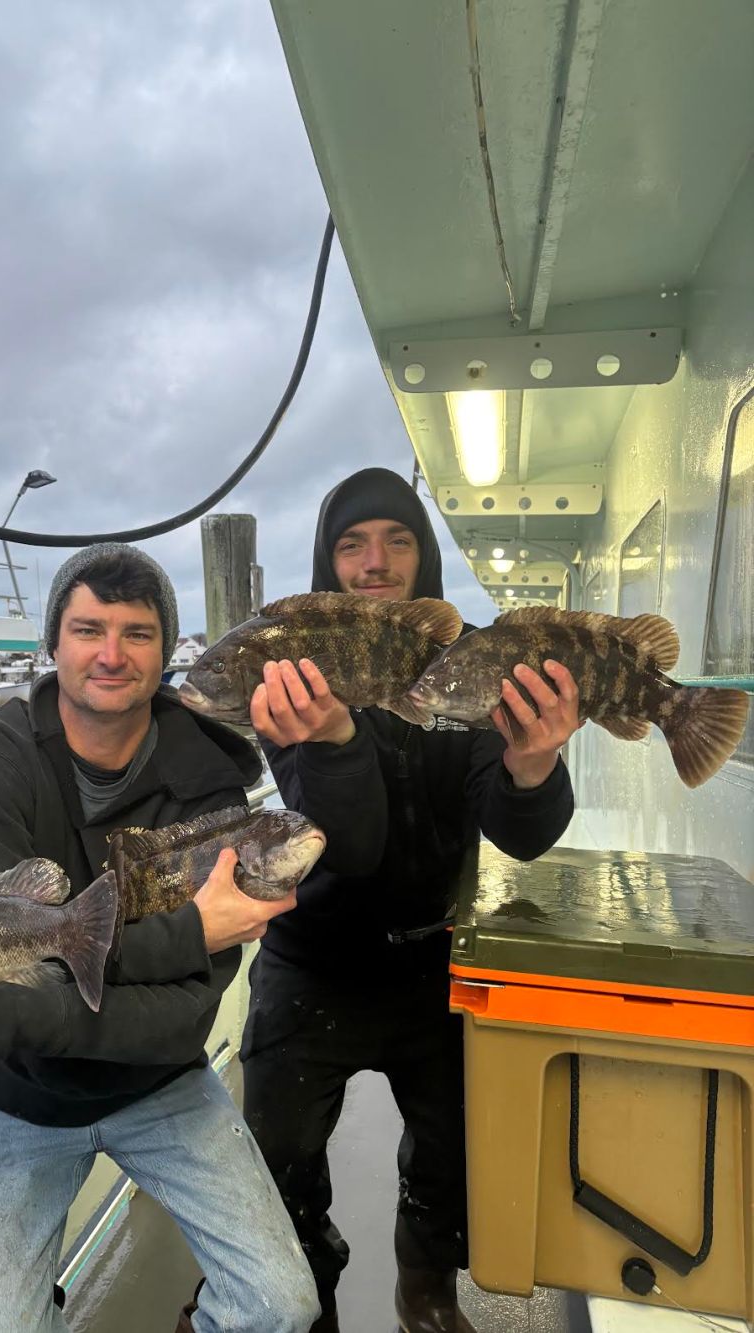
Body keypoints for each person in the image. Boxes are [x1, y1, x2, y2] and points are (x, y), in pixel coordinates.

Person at [0, 543, 321, 1333]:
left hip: (158, 1081)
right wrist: (186, 933)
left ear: (166, 650)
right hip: (13, 1095)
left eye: (137, 633)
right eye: (87, 628)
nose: (110, 653)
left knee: (281, 1303)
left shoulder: (207, 780)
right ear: (53, 642)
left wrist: (3, 1002)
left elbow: (183, 1014)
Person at [241, 468, 578, 1333]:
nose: (375, 560)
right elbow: (344, 841)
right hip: (308, 957)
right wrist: (335, 736)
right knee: (277, 1154)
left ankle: (424, 1289)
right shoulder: (293, 668)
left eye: (396, 539)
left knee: (452, 1150)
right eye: (352, 544)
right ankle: (304, 1291)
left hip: (435, 956)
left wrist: (533, 764)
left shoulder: (473, 662)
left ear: (424, 553)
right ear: (329, 560)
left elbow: (520, 829)